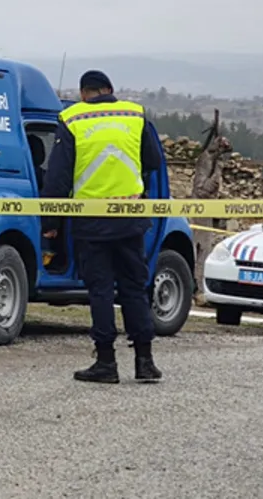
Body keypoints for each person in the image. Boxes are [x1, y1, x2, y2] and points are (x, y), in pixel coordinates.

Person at [43, 70, 163, 384]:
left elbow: (58, 175)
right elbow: (152, 160)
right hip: (130, 215)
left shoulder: (71, 119)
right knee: (134, 288)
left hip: (91, 218)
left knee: (99, 290)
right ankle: (145, 361)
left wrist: (51, 222)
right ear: (110, 90)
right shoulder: (134, 114)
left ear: (84, 93)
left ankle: (106, 362)